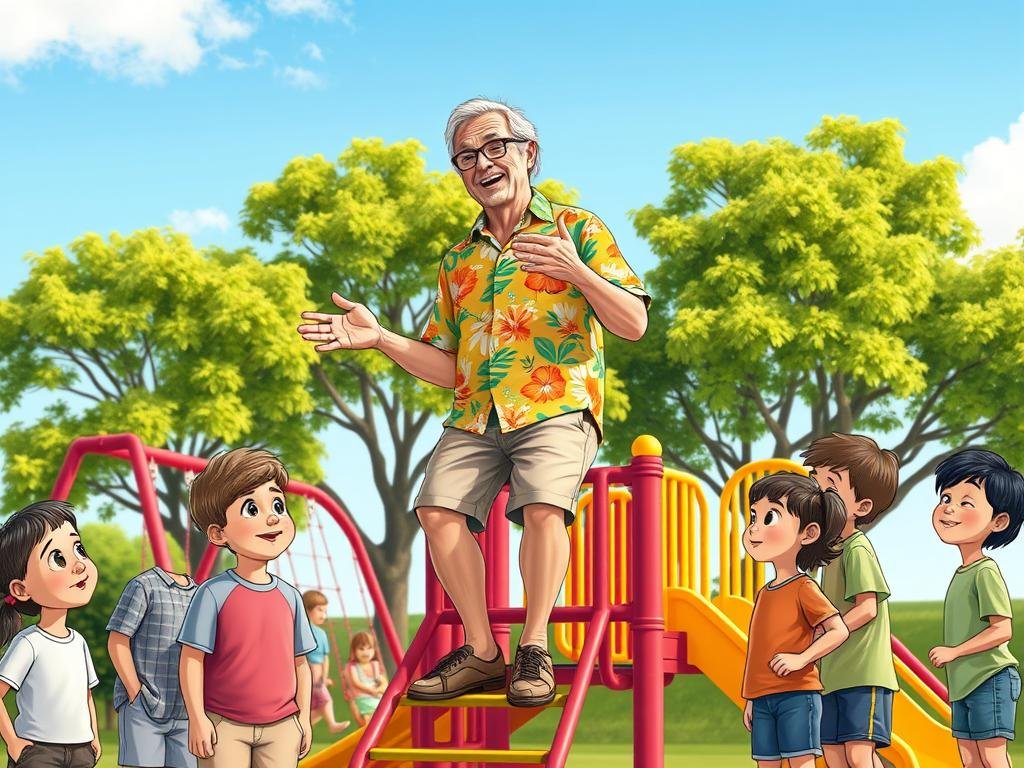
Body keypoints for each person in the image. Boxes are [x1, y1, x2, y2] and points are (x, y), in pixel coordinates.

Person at [297, 97, 650, 707]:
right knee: (437, 510)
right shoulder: (458, 261)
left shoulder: (577, 229)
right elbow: (446, 365)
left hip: (556, 406)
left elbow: (634, 323)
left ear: (527, 153)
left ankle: (533, 649)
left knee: (541, 507)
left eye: (494, 147)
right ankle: (485, 652)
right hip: (475, 415)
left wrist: (580, 274)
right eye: (466, 157)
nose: (481, 164)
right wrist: (381, 338)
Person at [177, 448, 317, 768]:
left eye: (277, 504)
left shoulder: (290, 596)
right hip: (225, 725)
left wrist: (304, 718)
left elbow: (301, 664)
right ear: (218, 533)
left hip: (282, 725)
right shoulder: (213, 594)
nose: (272, 517)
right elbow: (192, 659)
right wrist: (197, 718)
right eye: (252, 508)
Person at [801, 433, 900, 768]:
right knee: (831, 753)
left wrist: (829, 634)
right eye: (813, 480)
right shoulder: (829, 554)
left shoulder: (856, 547)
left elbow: (867, 607)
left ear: (862, 506)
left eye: (830, 485)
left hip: (862, 674)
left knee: (859, 754)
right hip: (833, 675)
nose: (817, 492)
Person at [741, 473, 850, 768]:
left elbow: (838, 630)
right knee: (767, 763)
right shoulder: (764, 593)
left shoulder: (804, 588)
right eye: (753, 517)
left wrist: (802, 658)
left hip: (797, 695)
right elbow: (759, 651)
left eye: (769, 517)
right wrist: (751, 698)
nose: (753, 529)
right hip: (763, 699)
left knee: (800, 762)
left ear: (808, 533)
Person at [928, 449, 1023, 768]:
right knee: (969, 758)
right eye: (946, 498)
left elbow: (1002, 629)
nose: (949, 509)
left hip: (990, 677)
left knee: (991, 757)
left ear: (999, 521)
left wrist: (954, 652)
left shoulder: (985, 571)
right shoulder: (962, 573)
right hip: (964, 681)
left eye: (966, 502)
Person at [0, 500, 101, 768]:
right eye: (58, 558)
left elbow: (86, 694)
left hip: (81, 750)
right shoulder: (29, 643)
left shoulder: (78, 641)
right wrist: (12, 741)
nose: (79, 565)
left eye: (79, 549)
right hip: (39, 752)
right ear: (21, 589)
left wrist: (94, 736)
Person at [107, 565, 198, 768]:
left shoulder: (200, 596)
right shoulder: (143, 585)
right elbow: (118, 639)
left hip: (185, 713)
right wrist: (135, 693)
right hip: (145, 707)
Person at [301, 589, 350, 733]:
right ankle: (332, 725)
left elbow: (325, 658)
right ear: (307, 610)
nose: (323, 615)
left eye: (325, 611)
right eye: (320, 610)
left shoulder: (321, 634)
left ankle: (300, 727)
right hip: (306, 675)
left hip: (317, 678)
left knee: (319, 708)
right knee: (326, 702)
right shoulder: (301, 631)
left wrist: (324, 677)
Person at [345, 631, 387, 726]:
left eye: (369, 648)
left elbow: (383, 681)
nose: (366, 652)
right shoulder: (353, 667)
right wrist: (370, 690)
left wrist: (378, 689)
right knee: (369, 720)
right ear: (354, 651)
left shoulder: (374, 665)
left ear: (374, 650)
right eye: (361, 649)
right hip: (363, 698)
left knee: (383, 710)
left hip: (377, 697)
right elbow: (356, 682)